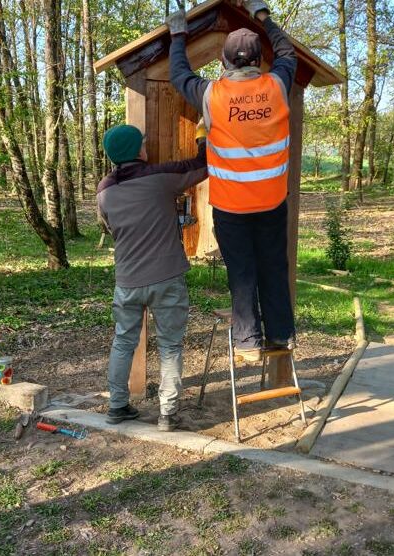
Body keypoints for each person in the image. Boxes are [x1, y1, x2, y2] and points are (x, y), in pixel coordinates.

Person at [166, 0, 296, 362]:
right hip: (271, 202)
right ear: (257, 61)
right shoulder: (278, 85)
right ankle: (281, 334)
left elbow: (178, 74)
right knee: (273, 265)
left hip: (231, 206)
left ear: (223, 62)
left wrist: (178, 34)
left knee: (241, 273)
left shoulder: (212, 95)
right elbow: (287, 51)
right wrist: (263, 17)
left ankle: (248, 342)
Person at [97, 123, 207, 431]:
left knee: (123, 342)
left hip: (127, 281)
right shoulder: (159, 178)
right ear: (138, 150)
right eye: (143, 142)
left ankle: (117, 406)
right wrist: (202, 136)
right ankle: (167, 414)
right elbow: (202, 165)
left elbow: (109, 226)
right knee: (170, 345)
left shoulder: (104, 191)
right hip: (166, 277)